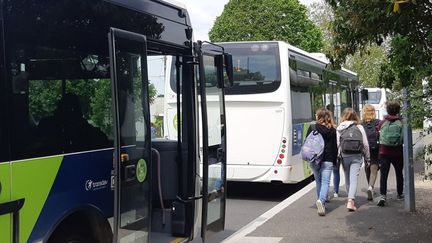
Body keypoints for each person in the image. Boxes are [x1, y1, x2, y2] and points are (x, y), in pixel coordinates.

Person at [337, 108, 370, 212]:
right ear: (355, 116)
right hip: (357, 155)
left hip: (345, 155)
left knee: (347, 177)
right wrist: (367, 157)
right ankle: (351, 200)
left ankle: (349, 199)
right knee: (354, 178)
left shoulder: (340, 127)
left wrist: (338, 155)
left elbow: (338, 144)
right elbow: (365, 144)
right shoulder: (359, 127)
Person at [306, 108, 337, 216]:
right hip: (327, 159)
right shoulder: (332, 130)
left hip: (315, 159)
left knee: (318, 181)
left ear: (318, 116)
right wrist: (335, 160)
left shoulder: (312, 127)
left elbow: (307, 143)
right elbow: (334, 147)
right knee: (325, 182)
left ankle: (321, 199)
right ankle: (321, 200)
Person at [377, 101, 404, 207]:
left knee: (383, 175)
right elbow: (403, 138)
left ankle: (383, 195)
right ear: (398, 110)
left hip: (384, 152)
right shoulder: (401, 123)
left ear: (387, 110)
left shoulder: (382, 122)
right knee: (399, 173)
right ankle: (399, 194)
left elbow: (378, 134)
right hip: (397, 152)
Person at [361, 104, 381, 200]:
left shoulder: (361, 124)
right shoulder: (378, 123)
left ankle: (369, 186)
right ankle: (371, 186)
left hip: (364, 148)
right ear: (374, 113)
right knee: (374, 165)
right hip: (375, 147)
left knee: (367, 165)